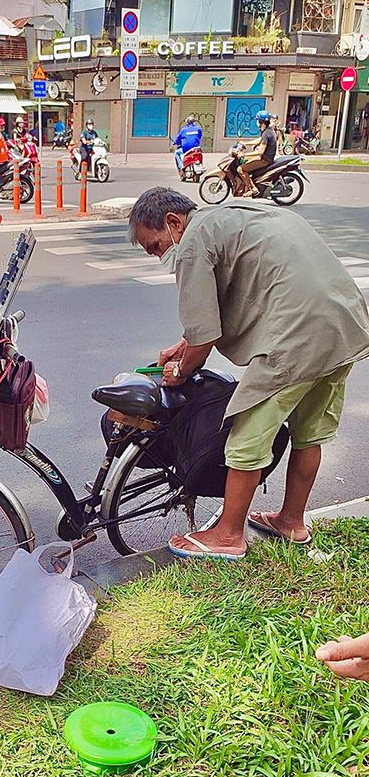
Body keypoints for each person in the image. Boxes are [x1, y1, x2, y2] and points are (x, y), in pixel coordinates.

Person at [127, 187, 369, 560]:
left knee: (246, 437)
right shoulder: (238, 215)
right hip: (343, 325)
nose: (161, 255)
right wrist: (185, 344)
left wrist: (179, 368)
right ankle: (291, 521)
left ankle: (227, 536)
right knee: (309, 433)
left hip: (296, 335)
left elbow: (203, 333)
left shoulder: (192, 241)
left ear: (173, 222)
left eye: (156, 246)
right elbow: (232, 296)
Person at [237, 110, 277, 197]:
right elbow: (259, 140)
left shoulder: (267, 133)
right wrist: (245, 143)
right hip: (264, 158)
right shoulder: (267, 130)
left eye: (257, 120)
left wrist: (244, 154)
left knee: (241, 169)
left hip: (264, 160)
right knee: (245, 162)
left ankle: (253, 189)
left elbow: (260, 151)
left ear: (261, 122)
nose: (256, 122)